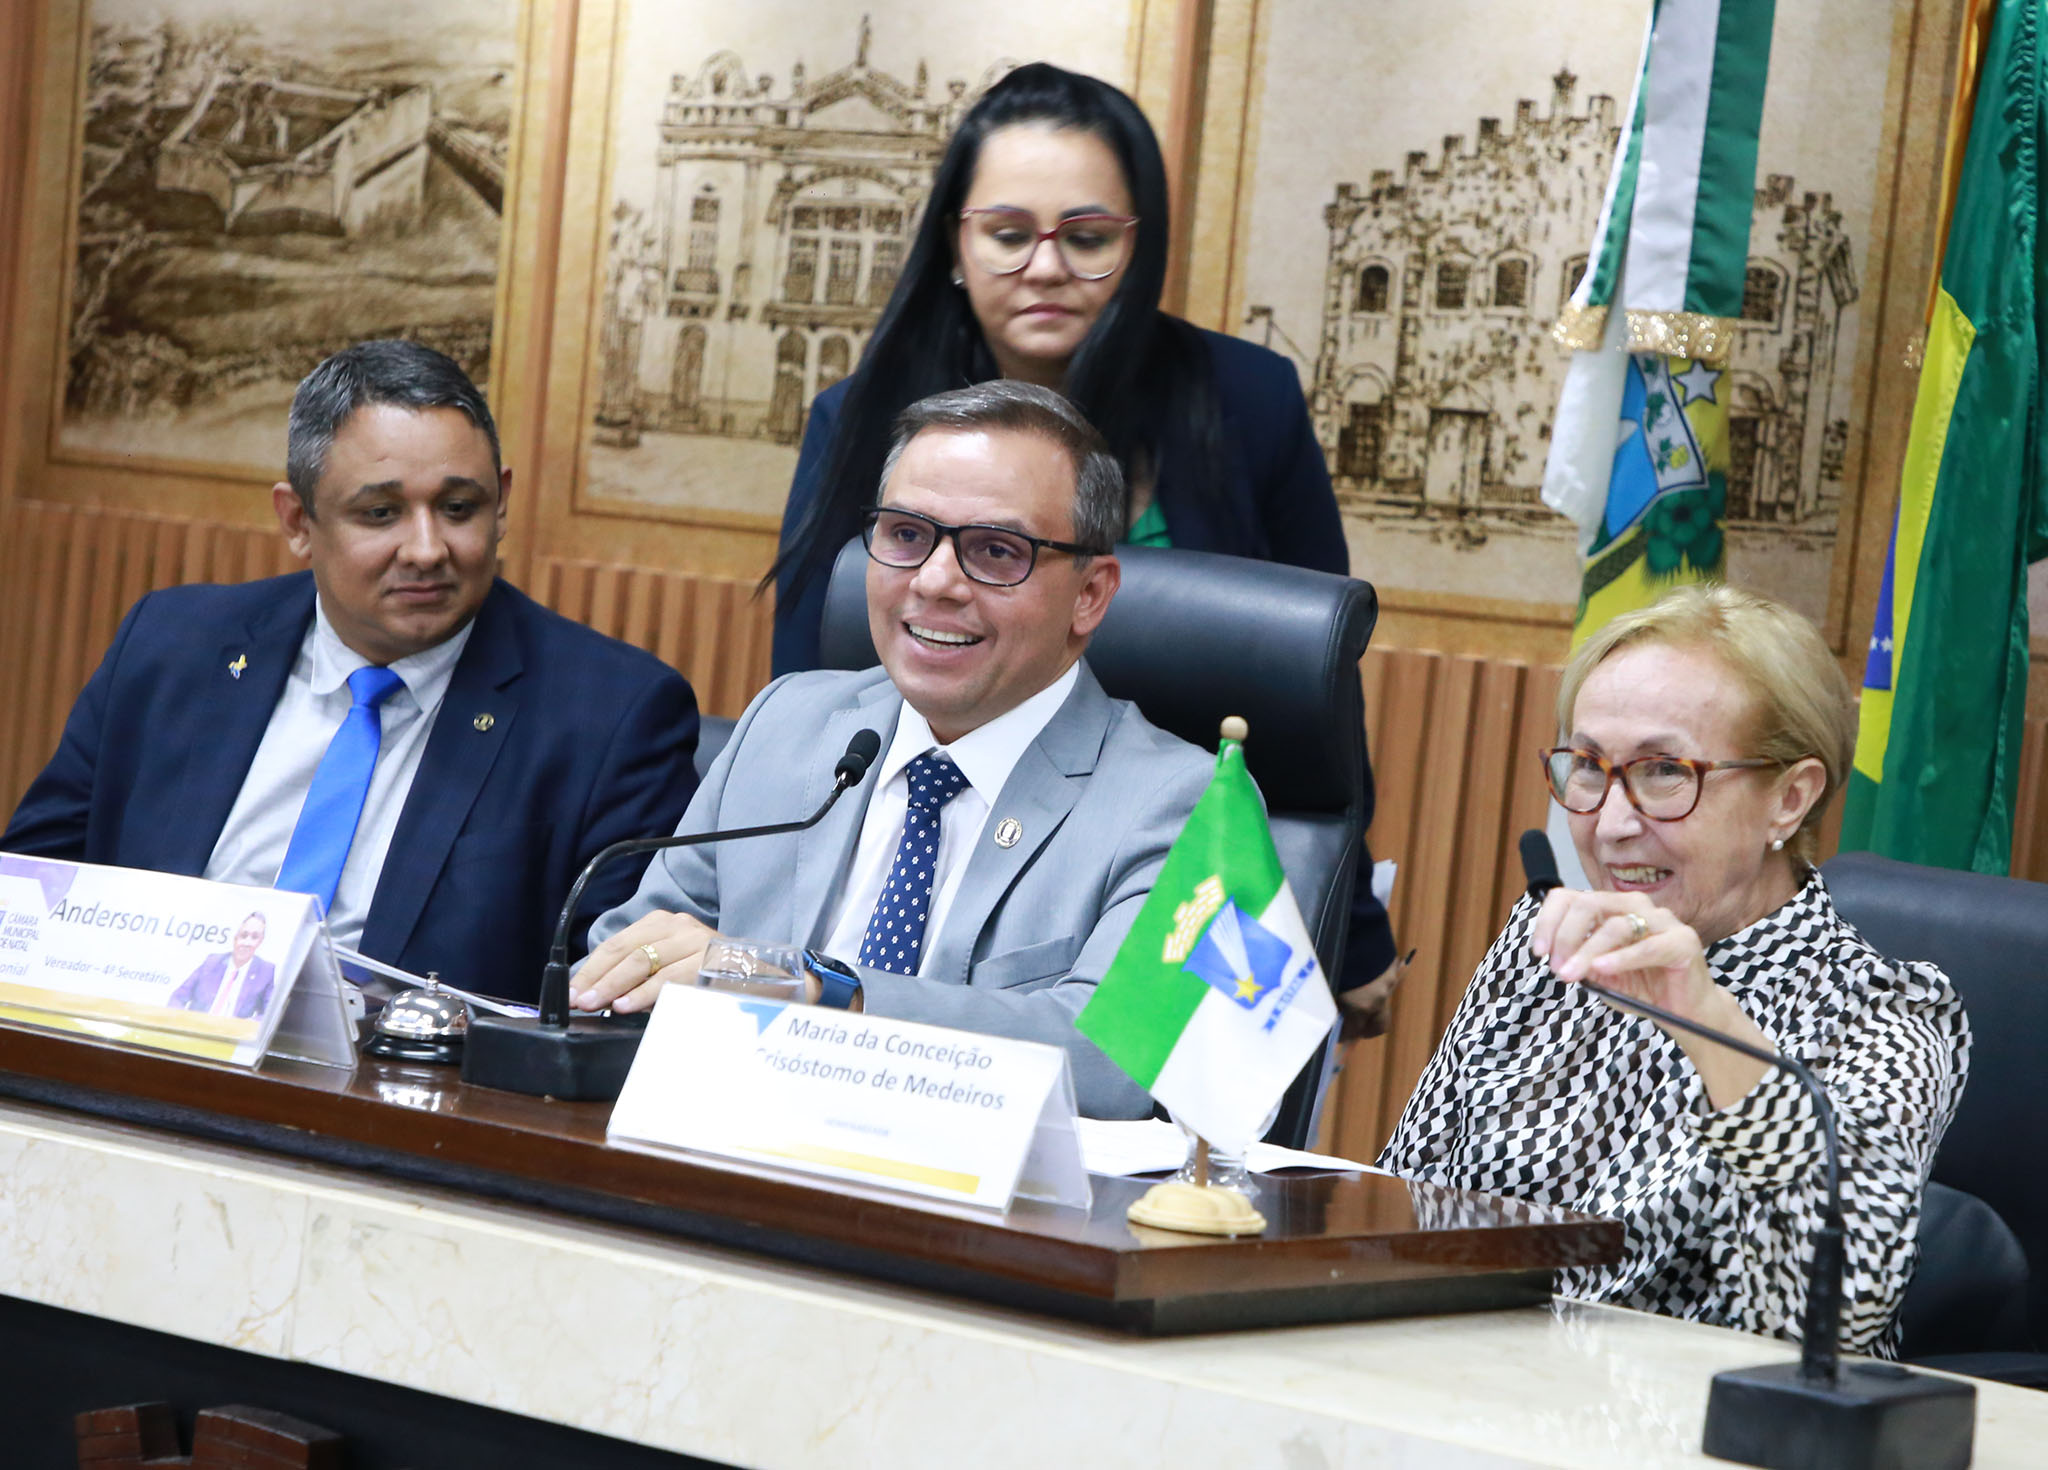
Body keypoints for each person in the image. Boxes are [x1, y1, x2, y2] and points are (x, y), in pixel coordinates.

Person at [767, 61, 1397, 998]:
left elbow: (1314, 701)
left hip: (1180, 876)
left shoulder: (1250, 402)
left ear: (1139, 247)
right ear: (954, 245)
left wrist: (1349, 932)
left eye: (1089, 237)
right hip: (930, 860)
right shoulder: (860, 418)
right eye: (1008, 234)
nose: (1046, 267)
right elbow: (811, 700)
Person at [578, 381, 1213, 1117]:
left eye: (996, 551)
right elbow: (630, 954)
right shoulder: (786, 723)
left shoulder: (1180, 803)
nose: (936, 582)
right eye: (907, 536)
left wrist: (821, 992)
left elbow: (1115, 1061)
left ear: (1090, 594)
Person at [4, 340, 701, 1003]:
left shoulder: (612, 717)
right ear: (297, 521)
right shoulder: (172, 647)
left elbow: (604, 997)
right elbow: (25, 895)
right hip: (144, 1046)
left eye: (459, 508)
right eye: (381, 513)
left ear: (502, 505)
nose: (426, 549)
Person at [1377, 585, 1969, 1356]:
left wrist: (1706, 1018)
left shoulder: (1882, 1011)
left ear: (1789, 800)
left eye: (1662, 771)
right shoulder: (1549, 940)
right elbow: (1403, 1200)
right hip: (1465, 1382)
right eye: (1589, 766)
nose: (1610, 824)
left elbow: (1829, 1316)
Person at [168, 911, 276, 1019]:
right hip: (197, 1025)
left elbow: (269, 1014)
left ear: (260, 941)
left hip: (233, 1029)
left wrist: (246, 1025)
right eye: (244, 935)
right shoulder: (212, 962)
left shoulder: (265, 972)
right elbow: (177, 998)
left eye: (254, 937)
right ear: (235, 937)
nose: (247, 943)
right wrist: (182, 1020)